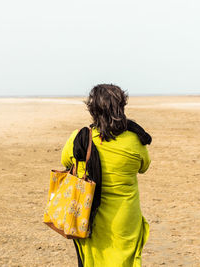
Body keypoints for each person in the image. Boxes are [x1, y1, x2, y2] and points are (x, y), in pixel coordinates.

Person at [60, 84, 151, 267]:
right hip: (125, 219)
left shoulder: (79, 138)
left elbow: (66, 162)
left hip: (88, 215)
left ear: (92, 109)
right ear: (121, 107)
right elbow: (144, 166)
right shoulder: (135, 140)